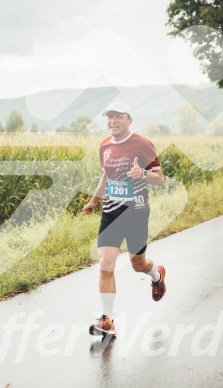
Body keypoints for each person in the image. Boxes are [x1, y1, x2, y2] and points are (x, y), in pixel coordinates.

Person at [82, 101, 166, 337]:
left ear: (129, 119)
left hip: (136, 213)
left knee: (137, 264)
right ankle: (107, 321)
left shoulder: (142, 144)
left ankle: (157, 275)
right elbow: (106, 176)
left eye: (118, 117)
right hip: (111, 212)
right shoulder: (104, 145)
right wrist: (94, 201)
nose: (113, 121)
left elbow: (160, 178)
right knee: (106, 265)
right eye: (109, 117)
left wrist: (143, 174)